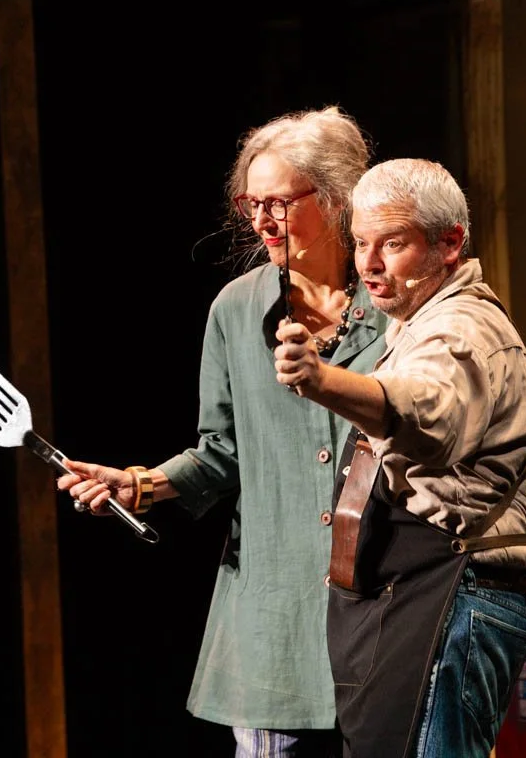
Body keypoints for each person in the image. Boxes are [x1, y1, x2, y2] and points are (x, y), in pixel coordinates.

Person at [57, 106, 389, 756]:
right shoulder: (237, 310)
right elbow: (219, 455)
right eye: (250, 203)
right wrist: (137, 484)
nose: (261, 220)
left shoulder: (396, 303)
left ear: (335, 197)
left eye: (278, 202)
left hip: (381, 610)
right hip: (274, 622)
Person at [273, 158, 526, 757]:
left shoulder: (461, 329)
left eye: (392, 243)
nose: (369, 264)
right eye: (360, 243)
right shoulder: (416, 325)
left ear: (450, 243)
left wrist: (321, 381)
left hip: (454, 596)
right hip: (417, 597)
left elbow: (425, 413)